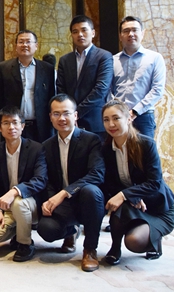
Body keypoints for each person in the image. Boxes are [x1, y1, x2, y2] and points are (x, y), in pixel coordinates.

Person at [101, 99, 174, 265]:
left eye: (116, 118)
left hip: (158, 208)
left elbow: (155, 183)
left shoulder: (146, 144)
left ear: (129, 118)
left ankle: (155, 240)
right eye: (106, 120)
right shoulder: (105, 149)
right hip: (132, 206)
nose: (111, 124)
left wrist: (124, 195)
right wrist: (129, 197)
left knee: (134, 241)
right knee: (118, 207)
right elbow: (109, 182)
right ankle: (115, 247)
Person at [37, 94, 105, 272]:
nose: (62, 118)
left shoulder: (91, 140)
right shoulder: (46, 146)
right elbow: (46, 179)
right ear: (50, 117)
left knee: (91, 191)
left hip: (87, 200)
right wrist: (50, 201)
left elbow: (97, 174)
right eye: (56, 114)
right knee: (46, 229)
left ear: (75, 115)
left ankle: (90, 250)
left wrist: (65, 192)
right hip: (64, 204)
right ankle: (72, 231)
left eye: (66, 113)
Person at [0, 106, 47, 262]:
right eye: (6, 123)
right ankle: (19, 232)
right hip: (7, 206)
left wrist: (15, 191)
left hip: (31, 204)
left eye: (15, 122)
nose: (11, 127)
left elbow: (40, 180)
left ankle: (25, 244)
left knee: (18, 202)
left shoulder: (36, 149)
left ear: (22, 126)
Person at [57, 15, 113, 140]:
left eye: (84, 30)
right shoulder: (64, 60)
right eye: (75, 32)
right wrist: (69, 113)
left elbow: (101, 89)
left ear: (93, 33)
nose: (80, 35)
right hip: (69, 122)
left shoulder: (104, 56)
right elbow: (61, 89)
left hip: (95, 120)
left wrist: (77, 113)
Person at [0, 30, 55, 143]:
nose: (24, 45)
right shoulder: (3, 68)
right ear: (16, 46)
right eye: (21, 42)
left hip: (40, 126)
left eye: (28, 42)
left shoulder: (47, 69)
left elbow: (51, 95)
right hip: (14, 125)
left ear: (36, 46)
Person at [112, 16, 166, 139]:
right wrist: (116, 110)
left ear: (142, 33)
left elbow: (157, 90)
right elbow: (108, 89)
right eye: (126, 31)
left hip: (143, 116)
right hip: (118, 116)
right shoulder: (112, 60)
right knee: (118, 150)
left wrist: (135, 111)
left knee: (145, 151)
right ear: (120, 36)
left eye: (135, 30)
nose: (130, 34)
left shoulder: (155, 58)